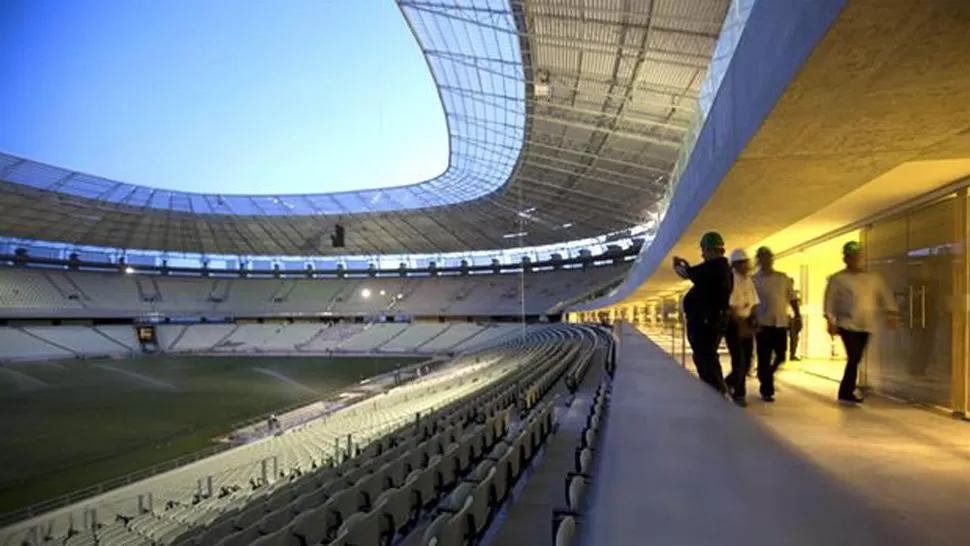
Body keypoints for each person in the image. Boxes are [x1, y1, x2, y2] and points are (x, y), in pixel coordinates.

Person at [823, 241, 898, 404]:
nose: (854, 260)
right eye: (851, 256)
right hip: (847, 324)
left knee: (856, 357)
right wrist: (830, 321)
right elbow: (829, 300)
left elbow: (885, 295)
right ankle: (846, 391)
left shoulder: (873, 278)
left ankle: (846, 390)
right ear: (845, 258)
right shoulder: (838, 279)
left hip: (867, 324)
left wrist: (891, 313)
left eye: (857, 256)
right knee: (854, 356)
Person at [673, 231, 733, 395]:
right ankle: (716, 391)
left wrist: (677, 265)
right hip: (710, 320)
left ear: (711, 249)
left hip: (706, 322)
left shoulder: (715, 267)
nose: (702, 254)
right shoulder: (722, 268)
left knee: (705, 358)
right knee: (707, 357)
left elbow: (686, 274)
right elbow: (694, 274)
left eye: (704, 250)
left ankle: (715, 393)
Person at [752, 247, 800, 402]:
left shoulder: (782, 278)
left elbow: (792, 297)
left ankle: (766, 375)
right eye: (763, 257)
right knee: (764, 357)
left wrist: (797, 315)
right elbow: (751, 302)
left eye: (769, 257)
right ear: (759, 260)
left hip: (780, 323)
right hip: (762, 324)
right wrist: (752, 320)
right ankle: (767, 389)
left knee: (781, 355)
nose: (766, 260)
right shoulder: (754, 280)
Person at [724, 249, 759, 406]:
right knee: (739, 361)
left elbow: (754, 302)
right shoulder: (731, 279)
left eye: (746, 263)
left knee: (747, 361)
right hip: (734, 325)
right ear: (735, 264)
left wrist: (753, 319)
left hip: (746, 322)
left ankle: (726, 384)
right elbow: (730, 306)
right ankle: (739, 394)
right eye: (742, 263)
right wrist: (740, 324)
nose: (746, 266)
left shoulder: (748, 280)